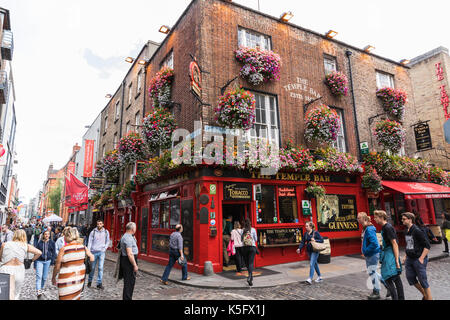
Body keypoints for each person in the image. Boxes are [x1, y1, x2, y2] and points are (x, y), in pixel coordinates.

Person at [51, 227, 94, 300]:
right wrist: (83, 265)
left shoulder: (64, 249)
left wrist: (53, 277)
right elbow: (92, 257)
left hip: (66, 278)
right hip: (79, 277)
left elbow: (57, 266)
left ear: (68, 236)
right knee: (76, 297)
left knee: (64, 297)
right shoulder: (83, 247)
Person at [0, 229, 42, 299]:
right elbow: (39, 252)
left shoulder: (5, 244)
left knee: (4, 293)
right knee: (16, 293)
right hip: (19, 269)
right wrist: (31, 260)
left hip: (6, 269)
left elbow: (0, 257)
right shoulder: (25, 245)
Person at [373, 210, 404, 300]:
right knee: (395, 277)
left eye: (376, 217)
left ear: (382, 217)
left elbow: (394, 243)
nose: (374, 219)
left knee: (388, 277)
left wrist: (397, 260)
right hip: (388, 253)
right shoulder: (385, 227)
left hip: (390, 254)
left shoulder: (387, 227)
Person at [401, 212, 432, 300]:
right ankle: (425, 295)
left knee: (423, 281)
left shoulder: (417, 230)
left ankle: (429, 298)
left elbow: (427, 245)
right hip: (409, 258)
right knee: (410, 277)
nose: (402, 220)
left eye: (404, 219)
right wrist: (405, 256)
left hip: (418, 258)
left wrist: (421, 258)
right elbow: (409, 245)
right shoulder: (406, 230)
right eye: (402, 219)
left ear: (410, 220)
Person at [359, 214, 383, 299]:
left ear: (364, 218)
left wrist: (365, 251)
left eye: (359, 218)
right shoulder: (366, 228)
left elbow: (375, 244)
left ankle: (376, 292)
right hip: (370, 254)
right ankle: (388, 285)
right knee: (373, 272)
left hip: (372, 254)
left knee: (372, 272)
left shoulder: (369, 229)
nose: (358, 219)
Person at [296, 221, 324, 285]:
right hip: (309, 251)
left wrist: (315, 240)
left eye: (307, 226)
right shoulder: (305, 234)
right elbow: (303, 242)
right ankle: (320, 277)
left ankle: (310, 279)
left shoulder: (315, 233)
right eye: (305, 226)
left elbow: (322, 240)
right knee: (315, 263)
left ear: (311, 227)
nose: (305, 227)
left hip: (315, 250)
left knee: (311, 264)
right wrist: (299, 248)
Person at [87, 219, 110, 289]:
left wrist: (104, 248)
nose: (99, 225)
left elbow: (108, 241)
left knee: (100, 268)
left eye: (100, 224)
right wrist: (88, 251)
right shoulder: (93, 232)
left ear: (103, 224)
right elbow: (89, 242)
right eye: (98, 224)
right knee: (92, 268)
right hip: (93, 252)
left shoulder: (106, 232)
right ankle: (89, 281)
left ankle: (99, 283)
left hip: (101, 252)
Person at [119, 222, 139, 300]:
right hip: (128, 262)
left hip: (128, 260)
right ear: (133, 229)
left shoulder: (128, 236)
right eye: (135, 228)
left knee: (130, 282)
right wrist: (134, 265)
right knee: (129, 282)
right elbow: (130, 253)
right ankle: (127, 298)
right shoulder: (127, 238)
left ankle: (128, 297)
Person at [35, 230, 56, 299]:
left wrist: (52, 261)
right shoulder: (39, 243)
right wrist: (35, 263)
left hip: (47, 261)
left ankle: (41, 288)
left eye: (48, 234)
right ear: (43, 235)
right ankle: (38, 291)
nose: (47, 235)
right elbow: (36, 253)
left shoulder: (52, 243)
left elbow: (54, 253)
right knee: (39, 276)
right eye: (45, 234)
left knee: (44, 277)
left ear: (49, 235)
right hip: (39, 261)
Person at [241, 218, 258, 286]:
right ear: (250, 223)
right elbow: (256, 239)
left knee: (247, 263)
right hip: (252, 247)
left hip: (244, 248)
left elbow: (241, 240)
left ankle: (250, 277)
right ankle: (250, 277)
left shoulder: (243, 230)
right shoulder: (253, 229)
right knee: (251, 263)